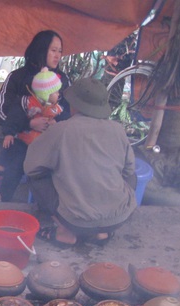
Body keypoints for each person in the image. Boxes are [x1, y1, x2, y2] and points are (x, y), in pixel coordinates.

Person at [24, 77, 138, 248]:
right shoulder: (118, 130)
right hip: (119, 217)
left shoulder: (61, 130)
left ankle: (65, 234)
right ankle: (101, 233)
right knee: (131, 176)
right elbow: (129, 171)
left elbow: (31, 167)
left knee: (36, 178)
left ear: (74, 105)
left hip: (75, 221)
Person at [0, 30, 71, 202]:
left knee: (54, 175)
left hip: (50, 140)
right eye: (53, 50)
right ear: (40, 50)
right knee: (14, 165)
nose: (58, 55)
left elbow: (69, 110)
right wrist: (29, 123)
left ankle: (47, 210)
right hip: (21, 137)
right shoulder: (17, 77)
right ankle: (2, 199)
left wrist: (56, 121)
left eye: (60, 51)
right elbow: (0, 112)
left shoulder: (62, 80)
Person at [0, 68, 64, 200]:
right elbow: (13, 118)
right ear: (46, 94)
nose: (59, 95)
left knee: (45, 174)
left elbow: (65, 119)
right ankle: (3, 197)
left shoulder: (56, 108)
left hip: (44, 147)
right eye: (56, 92)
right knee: (14, 168)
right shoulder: (26, 103)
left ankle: (40, 203)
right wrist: (9, 133)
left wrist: (56, 122)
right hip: (23, 143)